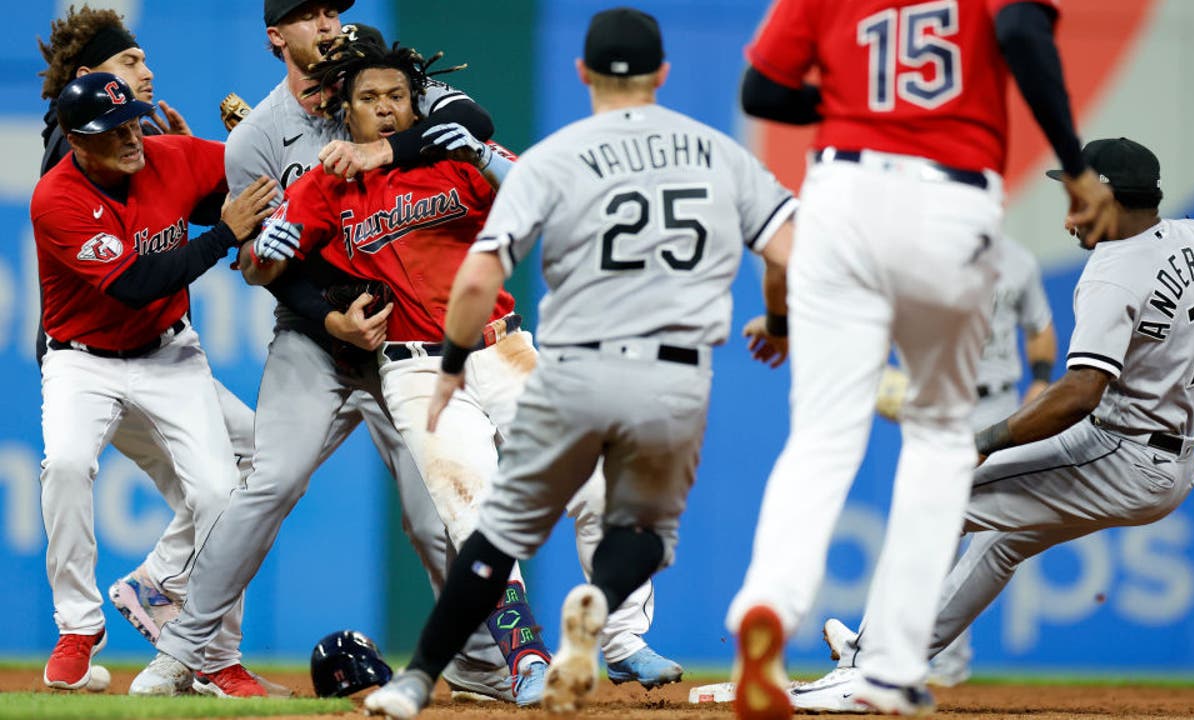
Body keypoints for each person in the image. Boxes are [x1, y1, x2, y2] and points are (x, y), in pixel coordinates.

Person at [134, 0, 677, 701]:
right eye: (310, 16)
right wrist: (321, 310)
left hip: (481, 347)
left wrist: (414, 148)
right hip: (346, 345)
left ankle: (550, 655)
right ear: (278, 39)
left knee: (477, 509)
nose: (327, 26)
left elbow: (491, 146)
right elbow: (271, 261)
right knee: (288, 485)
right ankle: (184, 650)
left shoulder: (425, 127)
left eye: (335, 14)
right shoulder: (273, 145)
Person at [359, 7, 795, 718]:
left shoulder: (560, 156)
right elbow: (788, 255)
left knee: (497, 533)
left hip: (576, 369)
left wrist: (448, 372)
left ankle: (416, 680)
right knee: (640, 532)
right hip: (677, 376)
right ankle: (600, 607)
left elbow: (475, 281)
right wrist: (777, 321)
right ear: (663, 72)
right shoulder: (718, 152)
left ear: (583, 72)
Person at [725, 0, 1119, 717]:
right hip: (948, 194)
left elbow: (762, 92)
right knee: (940, 435)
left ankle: (767, 610)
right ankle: (892, 668)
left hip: (841, 192)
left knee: (821, 436)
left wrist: (844, 98)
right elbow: (1022, 30)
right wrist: (1074, 161)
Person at [794, 138, 1194, 712]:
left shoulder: (1114, 273)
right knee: (1001, 545)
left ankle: (872, 674)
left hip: (1120, 449)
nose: (1068, 215)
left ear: (1105, 193)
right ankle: (882, 658)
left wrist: (979, 443)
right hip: (1167, 457)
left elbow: (1079, 393)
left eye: (1077, 197)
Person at [34, 9, 277, 697]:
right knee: (68, 464)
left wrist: (247, 150)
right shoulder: (57, 197)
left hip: (168, 354)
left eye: (136, 119)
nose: (133, 137)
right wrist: (223, 233)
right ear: (79, 142)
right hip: (83, 360)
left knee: (221, 493)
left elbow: (243, 184)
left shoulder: (162, 151)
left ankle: (200, 643)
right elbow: (138, 283)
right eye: (115, 131)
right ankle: (79, 626)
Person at [868, 234, 1058, 686]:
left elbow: (1040, 327)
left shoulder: (1017, 259)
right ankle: (892, 654)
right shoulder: (919, 258)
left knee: (983, 537)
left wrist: (1041, 382)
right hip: (936, 406)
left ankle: (946, 669)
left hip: (998, 408)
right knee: (924, 532)